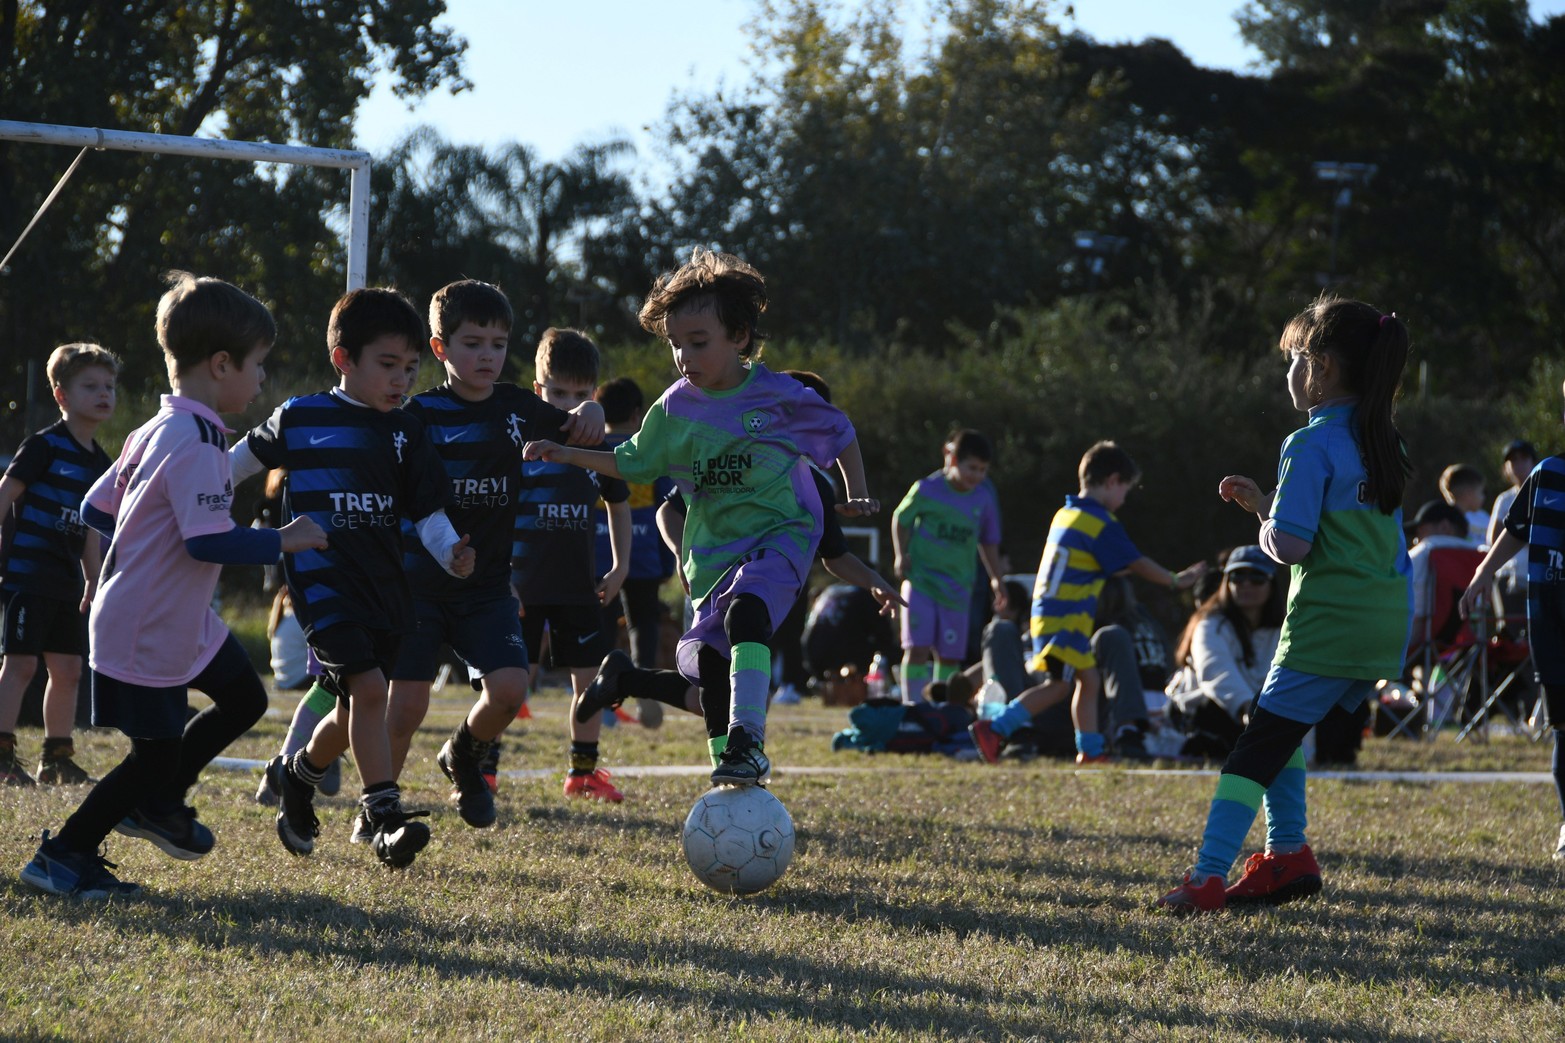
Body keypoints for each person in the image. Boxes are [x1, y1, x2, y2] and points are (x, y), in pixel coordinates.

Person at [18, 273, 328, 898]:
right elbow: (207, 541)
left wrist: (128, 561)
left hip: (175, 615)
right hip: (150, 622)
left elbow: (96, 507)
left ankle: (158, 804)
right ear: (221, 365)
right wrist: (285, 539)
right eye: (258, 364)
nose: (261, 378)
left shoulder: (157, 427)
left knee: (244, 699)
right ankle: (63, 856)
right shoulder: (199, 442)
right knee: (153, 757)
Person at [524, 248, 878, 786]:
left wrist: (858, 492)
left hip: (780, 540)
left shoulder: (779, 395)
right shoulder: (675, 408)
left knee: (747, 613)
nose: (683, 356)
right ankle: (730, 772)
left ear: (738, 337)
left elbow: (840, 430)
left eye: (698, 342)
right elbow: (632, 461)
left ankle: (748, 741)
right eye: (675, 344)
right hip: (713, 556)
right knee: (713, 666)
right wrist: (568, 454)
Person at [1158, 296, 1412, 913]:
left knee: (1255, 749)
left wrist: (1263, 522)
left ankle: (1208, 877)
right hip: (1381, 623)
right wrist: (1269, 504)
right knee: (1281, 730)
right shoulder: (1385, 442)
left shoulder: (1308, 442)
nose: (1288, 373)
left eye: (1294, 359)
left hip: (1326, 623)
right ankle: (1287, 856)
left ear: (1323, 367)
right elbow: (1343, 530)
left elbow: (1292, 545)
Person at [232, 286, 476, 869]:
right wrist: (184, 502)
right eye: (388, 365)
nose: (401, 380)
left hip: (385, 589)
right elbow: (229, 466)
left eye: (410, 368)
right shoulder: (300, 417)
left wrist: (450, 552)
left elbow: (429, 513)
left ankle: (298, 776)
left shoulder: (406, 431)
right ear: (344, 359)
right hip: (324, 587)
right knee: (368, 692)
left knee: (353, 708)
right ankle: (384, 815)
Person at [382, 281, 605, 827]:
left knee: (508, 690)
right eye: (473, 343)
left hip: (487, 588)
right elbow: (400, 498)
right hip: (420, 586)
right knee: (406, 707)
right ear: (440, 348)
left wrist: (592, 413)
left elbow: (575, 425)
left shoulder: (517, 407)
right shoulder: (418, 415)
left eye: (498, 344)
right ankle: (380, 807)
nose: (487, 355)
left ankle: (462, 755)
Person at [970, 441, 1205, 765]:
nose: (1123, 500)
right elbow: (1135, 562)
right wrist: (1176, 579)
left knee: (1089, 680)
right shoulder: (1099, 522)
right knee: (1058, 687)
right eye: (1125, 490)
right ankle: (996, 728)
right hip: (1065, 619)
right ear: (1112, 481)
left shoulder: (1067, 514)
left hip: (1053, 615)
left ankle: (1090, 750)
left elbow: (1106, 562)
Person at [511, 327, 630, 801]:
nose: (569, 405)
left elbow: (619, 504)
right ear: (538, 388)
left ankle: (583, 772)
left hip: (579, 586)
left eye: (581, 395)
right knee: (510, 686)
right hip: (521, 586)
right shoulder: (518, 438)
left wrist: (620, 566)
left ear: (594, 393)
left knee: (590, 683)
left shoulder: (598, 447)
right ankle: (484, 769)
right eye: (558, 393)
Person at [0, 343, 119, 786]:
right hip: (27, 576)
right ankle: (2, 754)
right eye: (90, 386)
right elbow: (6, 492)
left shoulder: (101, 463)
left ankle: (56, 760)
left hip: (66, 583)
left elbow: (91, 529)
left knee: (68, 671)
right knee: (21, 666)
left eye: (109, 386)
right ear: (61, 395)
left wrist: (92, 578)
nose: (103, 394)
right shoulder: (43, 446)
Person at [1462, 385, 1565, 860]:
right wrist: (1484, 574)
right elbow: (1516, 529)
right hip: (1551, 622)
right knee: (1562, 729)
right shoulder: (1547, 475)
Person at [892, 429, 1006, 705]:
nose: (976, 475)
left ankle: (944, 710)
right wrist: (900, 554)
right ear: (953, 460)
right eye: (971, 468)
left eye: (982, 470)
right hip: (921, 583)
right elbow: (900, 519)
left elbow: (988, 542)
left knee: (949, 655)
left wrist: (996, 579)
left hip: (957, 589)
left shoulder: (983, 499)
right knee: (917, 648)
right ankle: (914, 707)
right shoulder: (927, 489)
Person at [593, 376, 676, 725]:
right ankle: (644, 691)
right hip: (644, 555)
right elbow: (667, 504)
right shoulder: (648, 450)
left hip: (598, 556)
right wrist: (668, 561)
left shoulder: (591, 449)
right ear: (637, 414)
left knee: (600, 629)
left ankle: (602, 702)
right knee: (643, 624)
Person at [1165, 546, 1286, 761]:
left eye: (1257, 577)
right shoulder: (1210, 625)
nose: (1246, 585)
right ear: (1226, 583)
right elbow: (1217, 672)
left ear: (1272, 584)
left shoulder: (1284, 630)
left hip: (1261, 717)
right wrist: (1248, 711)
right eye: (1237, 577)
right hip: (1211, 713)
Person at [1403, 499, 1471, 645]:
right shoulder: (1479, 556)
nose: (1416, 540)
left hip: (1414, 638)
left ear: (1445, 526)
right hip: (1462, 642)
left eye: (1420, 531)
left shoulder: (1423, 552)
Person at [1487, 439, 1536, 633]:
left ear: (1533, 462)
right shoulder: (1505, 500)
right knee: (1510, 632)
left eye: (1523, 458)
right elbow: (1493, 539)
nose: (1518, 464)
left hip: (1542, 574)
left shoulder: (1548, 493)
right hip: (1510, 577)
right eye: (1513, 460)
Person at [1438, 463, 1489, 549]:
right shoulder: (1445, 521)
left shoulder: (1484, 518)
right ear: (1468, 493)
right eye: (1481, 492)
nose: (1483, 497)